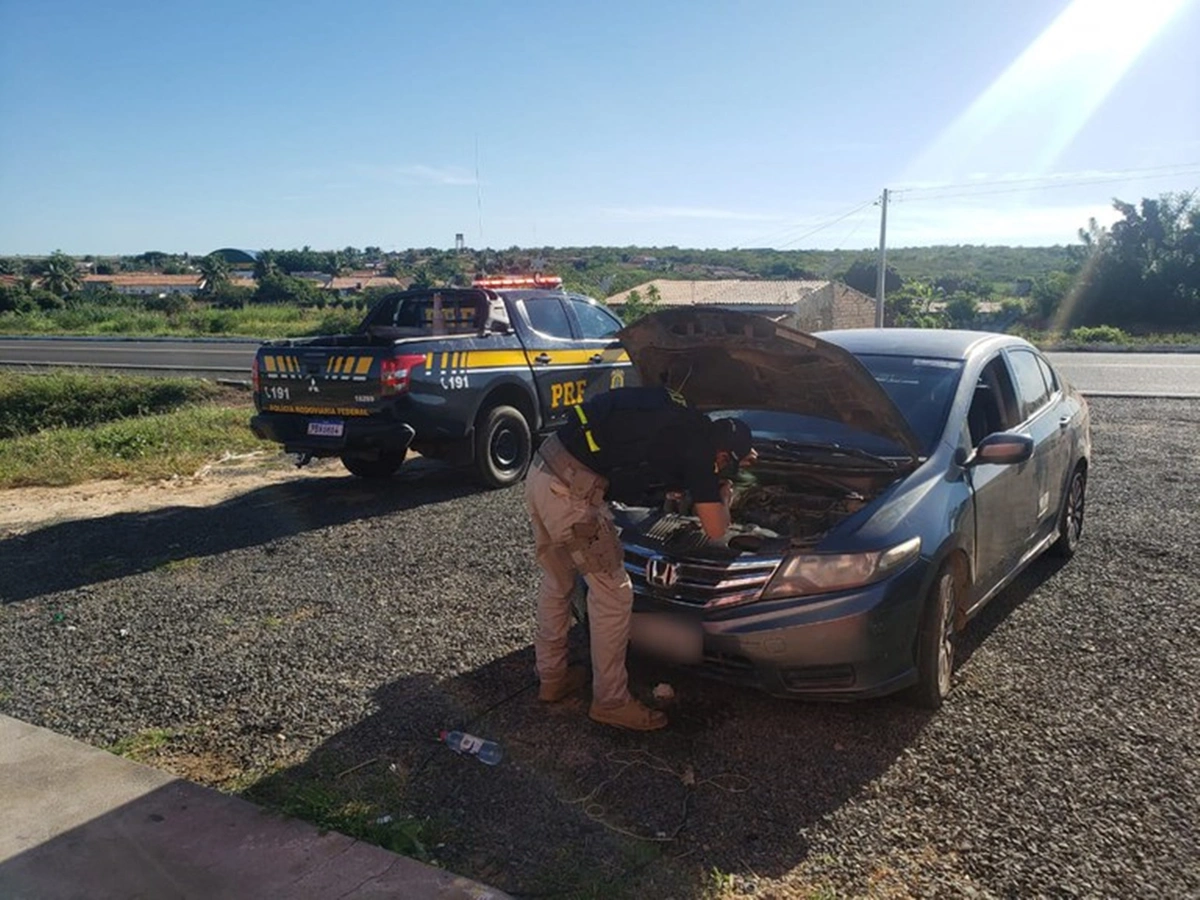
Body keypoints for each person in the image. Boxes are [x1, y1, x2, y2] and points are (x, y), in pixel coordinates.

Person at [524, 385, 754, 731]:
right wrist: (724, 492)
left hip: (544, 468)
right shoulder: (699, 450)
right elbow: (716, 528)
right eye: (727, 462)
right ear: (723, 455)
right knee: (614, 594)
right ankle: (611, 701)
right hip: (571, 494)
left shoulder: (682, 419)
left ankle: (552, 677)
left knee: (558, 579)